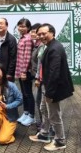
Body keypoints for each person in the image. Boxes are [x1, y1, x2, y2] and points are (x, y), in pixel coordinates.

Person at [29, 23, 74, 152]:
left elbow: (54, 73)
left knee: (54, 115)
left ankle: (60, 141)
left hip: (52, 88)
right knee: (43, 108)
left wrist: (49, 93)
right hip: (46, 85)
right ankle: (44, 134)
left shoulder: (55, 48)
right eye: (39, 34)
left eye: (44, 33)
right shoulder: (49, 46)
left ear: (52, 33)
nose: (41, 36)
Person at [15, 17, 35, 126]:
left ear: (28, 28)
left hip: (25, 71)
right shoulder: (22, 38)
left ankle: (31, 116)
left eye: (23, 26)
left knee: (28, 94)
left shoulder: (27, 39)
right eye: (20, 26)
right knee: (24, 93)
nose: (21, 28)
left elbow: (27, 58)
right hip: (20, 71)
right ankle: (26, 113)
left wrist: (23, 72)